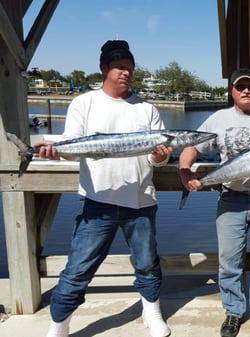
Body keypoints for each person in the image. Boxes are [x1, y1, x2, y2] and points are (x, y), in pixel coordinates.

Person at [38, 40, 173, 337]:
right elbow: (72, 148)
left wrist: (161, 156)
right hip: (97, 202)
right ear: (104, 69)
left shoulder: (147, 109)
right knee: (77, 270)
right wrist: (55, 150)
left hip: (141, 201)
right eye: (119, 67)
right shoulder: (84, 103)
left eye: (129, 68)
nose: (125, 73)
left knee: (148, 265)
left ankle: (152, 314)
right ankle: (59, 326)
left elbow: (156, 158)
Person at [179, 69, 250, 337]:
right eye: (241, 87)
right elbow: (192, 147)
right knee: (229, 261)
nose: (246, 91)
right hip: (231, 198)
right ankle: (233, 311)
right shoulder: (218, 119)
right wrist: (184, 170)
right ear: (232, 92)